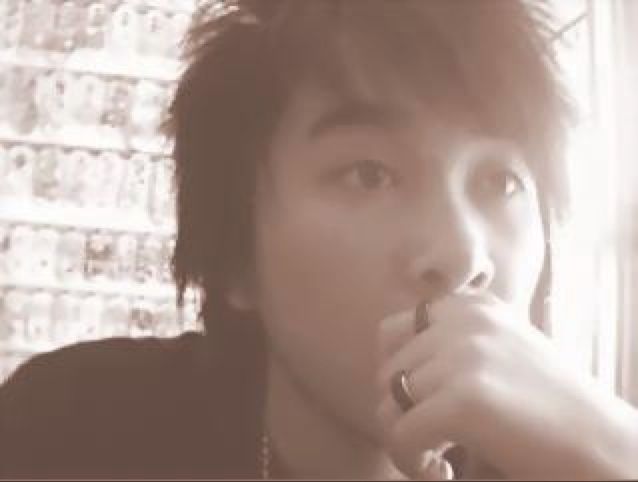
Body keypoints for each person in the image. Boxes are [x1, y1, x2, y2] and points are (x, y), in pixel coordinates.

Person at [1, 0, 637, 479]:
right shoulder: (74, 427)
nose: (462, 256)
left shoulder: (569, 461)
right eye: (370, 174)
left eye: (501, 181)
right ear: (237, 256)